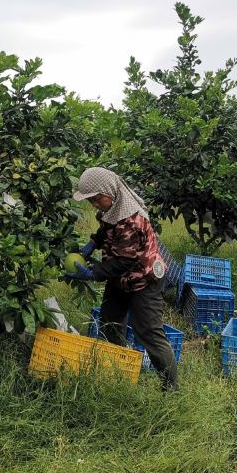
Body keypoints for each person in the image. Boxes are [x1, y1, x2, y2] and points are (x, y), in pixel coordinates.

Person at [65, 166, 178, 391]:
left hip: (144, 280)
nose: (95, 204)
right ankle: (118, 372)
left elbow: (123, 261)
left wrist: (92, 273)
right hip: (120, 278)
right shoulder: (112, 208)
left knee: (148, 331)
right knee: (110, 323)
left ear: (109, 191)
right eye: (91, 201)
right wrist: (92, 244)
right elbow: (106, 230)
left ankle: (171, 388)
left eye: (97, 198)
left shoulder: (132, 219)